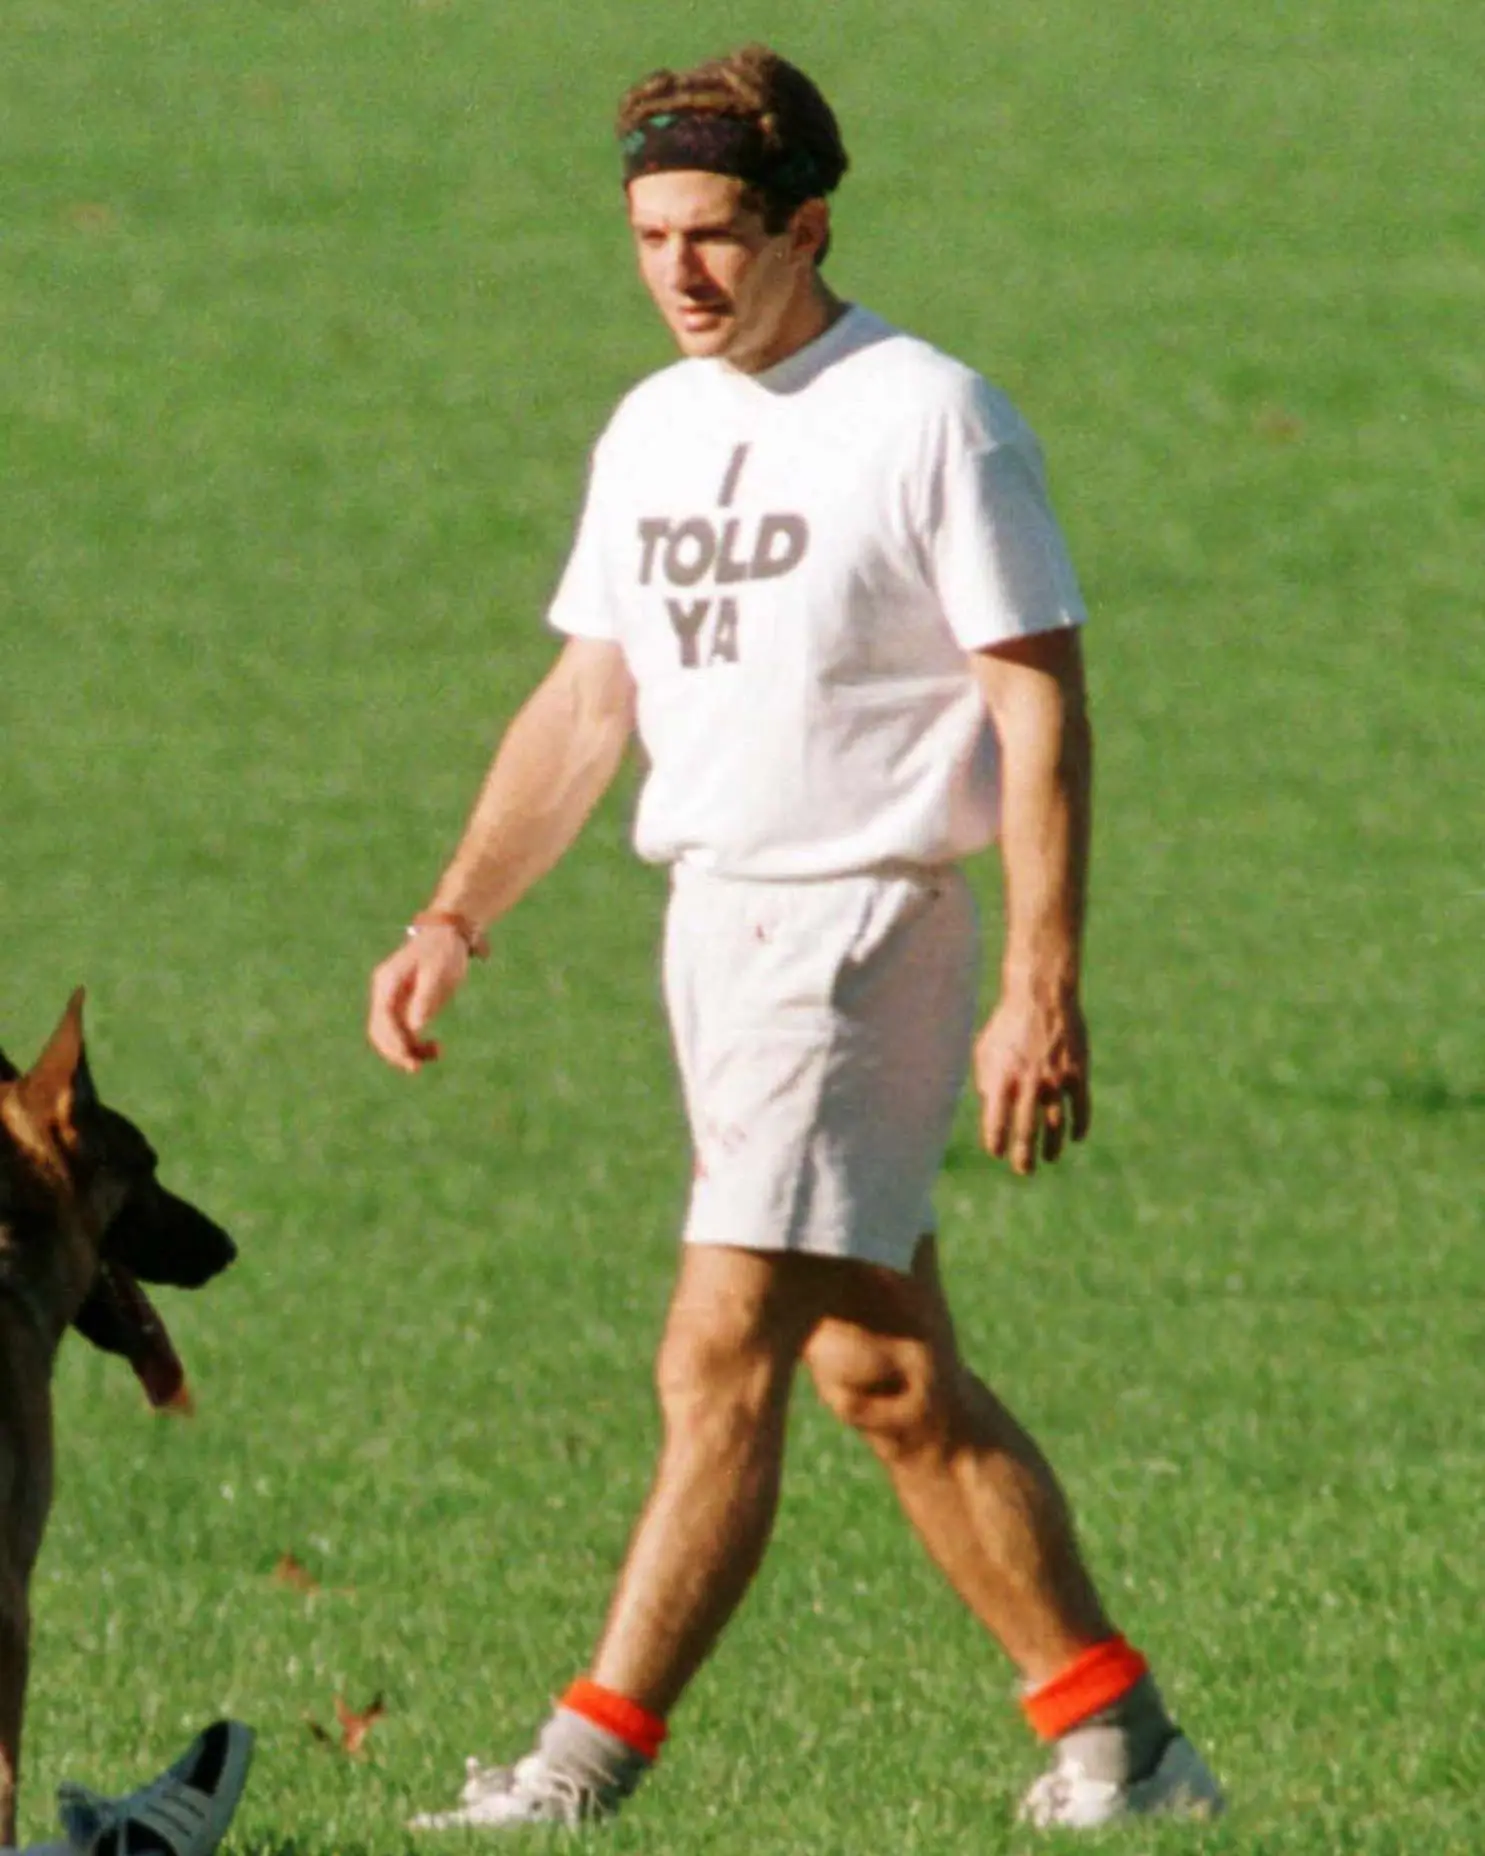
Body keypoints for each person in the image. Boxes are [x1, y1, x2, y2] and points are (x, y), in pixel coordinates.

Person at [366, 44, 1223, 1832]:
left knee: (718, 1350)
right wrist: (458, 909)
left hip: (856, 934)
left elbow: (1040, 706)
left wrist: (1039, 984)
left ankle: (579, 1769)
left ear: (806, 227)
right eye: (649, 237)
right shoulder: (654, 428)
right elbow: (590, 701)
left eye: (714, 235)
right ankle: (1126, 1748)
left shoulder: (932, 417)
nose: (678, 272)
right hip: (716, 933)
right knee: (884, 1374)